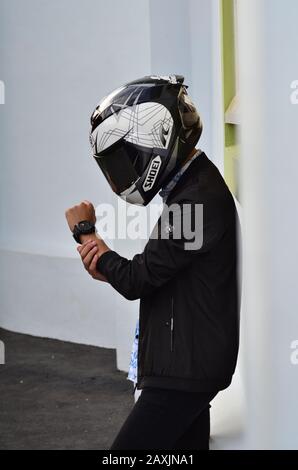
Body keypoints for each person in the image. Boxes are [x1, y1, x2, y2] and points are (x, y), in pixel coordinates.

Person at [65, 75, 240, 450]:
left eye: (125, 160)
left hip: (184, 374)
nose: (119, 179)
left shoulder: (196, 200)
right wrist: (105, 259)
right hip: (188, 367)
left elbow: (137, 279)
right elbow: (154, 271)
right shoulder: (192, 188)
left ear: (156, 141)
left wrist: (86, 233)